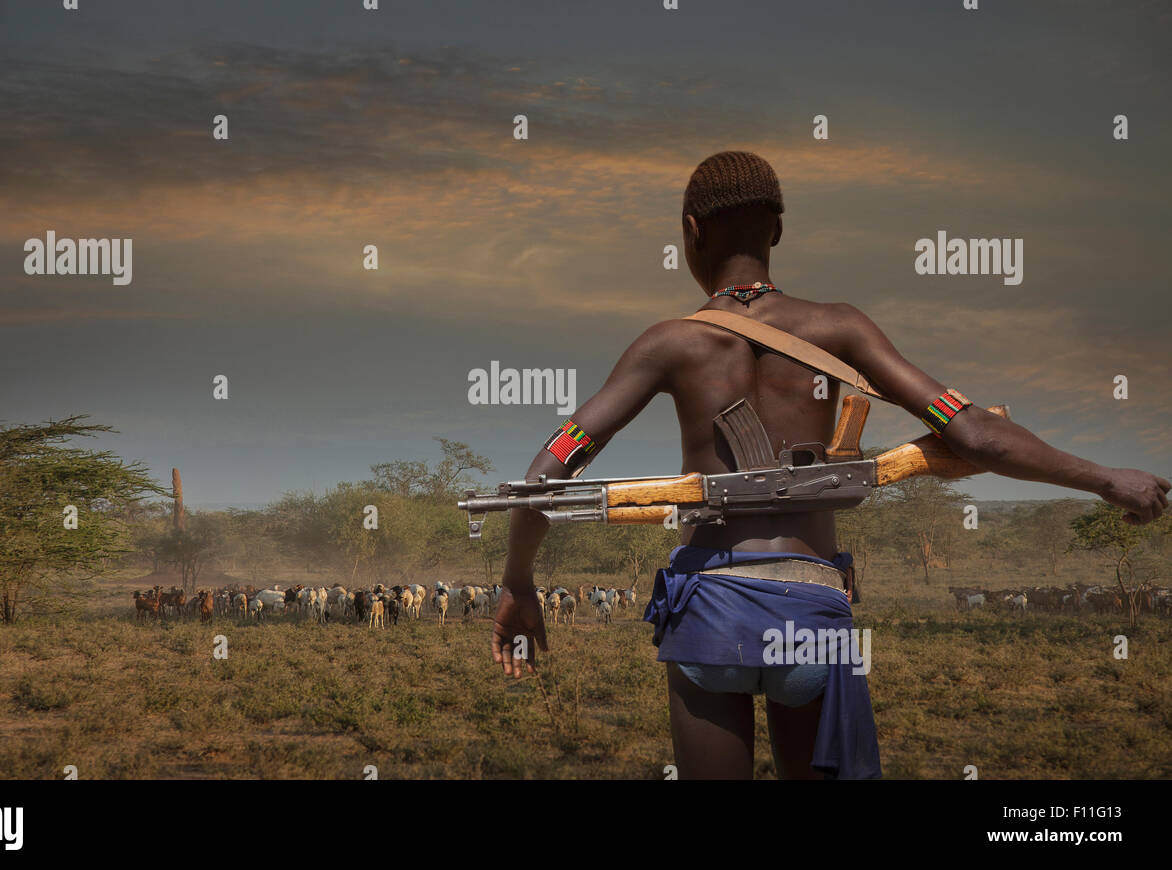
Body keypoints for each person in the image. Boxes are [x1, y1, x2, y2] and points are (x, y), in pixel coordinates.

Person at [488, 150, 1169, 779]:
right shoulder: (839, 328)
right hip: (810, 610)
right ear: (777, 231)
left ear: (691, 233)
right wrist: (1108, 478)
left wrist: (518, 582)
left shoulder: (667, 342)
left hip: (707, 608)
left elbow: (548, 472)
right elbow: (977, 436)